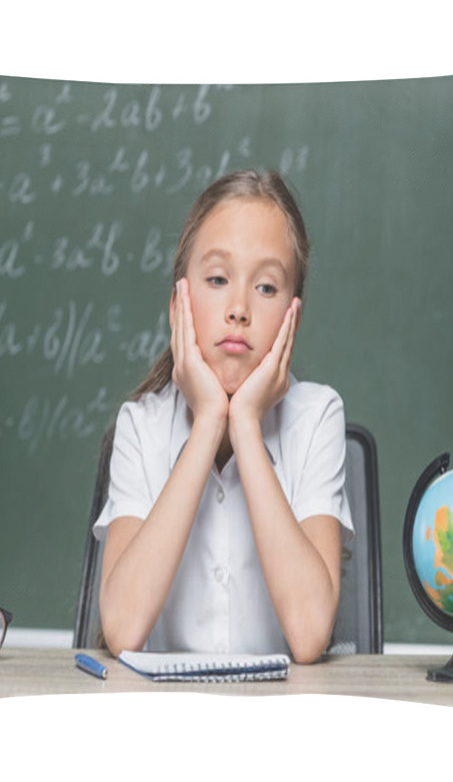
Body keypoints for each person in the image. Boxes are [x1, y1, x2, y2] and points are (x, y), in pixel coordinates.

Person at [93, 169, 353, 664]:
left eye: (267, 288)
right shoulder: (141, 426)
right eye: (217, 279)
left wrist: (247, 425)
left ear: (293, 319)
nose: (239, 308)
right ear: (178, 307)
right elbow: (123, 629)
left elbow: (308, 633)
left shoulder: (319, 415)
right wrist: (210, 417)